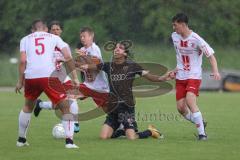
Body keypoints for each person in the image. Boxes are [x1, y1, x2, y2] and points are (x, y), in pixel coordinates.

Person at [77, 41, 172, 140]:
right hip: (113, 108)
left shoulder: (132, 66)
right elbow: (87, 66)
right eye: (115, 48)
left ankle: (151, 131)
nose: (116, 49)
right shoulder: (108, 66)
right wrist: (82, 59)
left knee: (132, 138)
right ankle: (121, 130)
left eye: (120, 48)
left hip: (126, 107)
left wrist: (164, 78)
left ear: (125, 53)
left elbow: (150, 77)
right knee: (103, 137)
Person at [15, 19, 79, 148]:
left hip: (31, 76)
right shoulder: (53, 38)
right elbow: (68, 56)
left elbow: (22, 61)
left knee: (27, 107)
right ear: (45, 29)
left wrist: (20, 81)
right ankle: (69, 142)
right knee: (66, 107)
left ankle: (21, 140)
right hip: (48, 77)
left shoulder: (25, 39)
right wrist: (75, 78)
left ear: (32, 30)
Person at [170, 13, 221, 140]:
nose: (173, 28)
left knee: (190, 101)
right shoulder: (174, 36)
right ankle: (200, 123)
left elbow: (211, 56)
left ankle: (202, 135)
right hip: (180, 76)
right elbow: (180, 57)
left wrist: (215, 71)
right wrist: (175, 69)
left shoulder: (196, 39)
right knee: (181, 108)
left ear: (183, 25)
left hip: (194, 75)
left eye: (175, 25)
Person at [33, 20, 80, 133]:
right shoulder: (46, 44)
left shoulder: (64, 45)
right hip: (50, 78)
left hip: (62, 76)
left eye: (57, 29)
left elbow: (69, 61)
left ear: (61, 31)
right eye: (53, 29)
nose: (55, 31)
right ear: (49, 31)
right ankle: (74, 125)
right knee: (64, 103)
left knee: (71, 99)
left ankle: (41, 105)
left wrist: (75, 78)